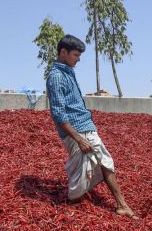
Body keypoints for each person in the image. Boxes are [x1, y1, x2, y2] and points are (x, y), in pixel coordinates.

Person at [46, 34, 137, 219]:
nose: (78, 59)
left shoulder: (67, 71)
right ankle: (120, 205)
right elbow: (58, 113)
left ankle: (86, 203)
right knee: (102, 162)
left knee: (97, 164)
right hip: (77, 130)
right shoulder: (56, 77)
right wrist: (78, 139)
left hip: (84, 125)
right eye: (75, 55)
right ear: (63, 52)